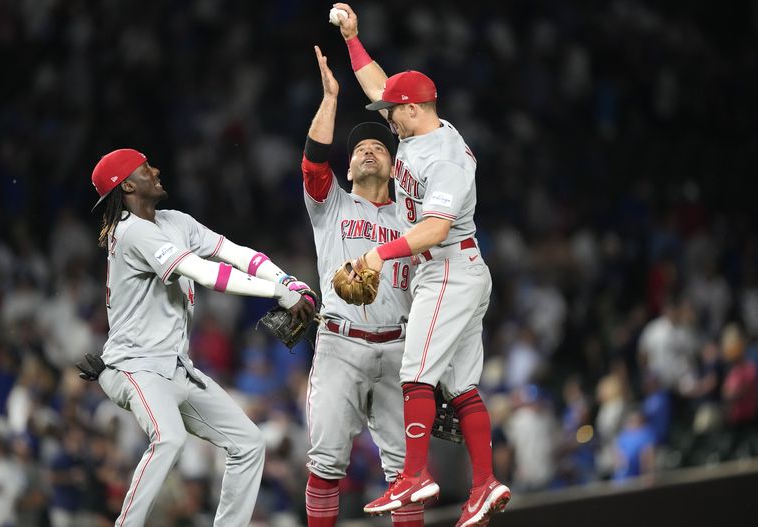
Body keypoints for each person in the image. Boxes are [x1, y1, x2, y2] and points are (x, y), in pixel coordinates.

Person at [331, 5, 511, 527]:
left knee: (415, 375)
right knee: (461, 386)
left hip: (448, 266)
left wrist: (374, 254)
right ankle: (483, 485)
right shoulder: (417, 128)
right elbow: (380, 83)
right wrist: (353, 39)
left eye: (392, 110)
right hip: (455, 269)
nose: (385, 114)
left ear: (412, 110)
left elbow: (433, 230)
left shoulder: (445, 158)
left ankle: (415, 476)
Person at [87, 147, 316, 526]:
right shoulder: (131, 232)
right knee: (169, 438)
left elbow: (233, 253)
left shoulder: (173, 221)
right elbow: (207, 274)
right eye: (145, 168)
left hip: (176, 368)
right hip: (135, 367)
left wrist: (284, 279)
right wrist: (277, 293)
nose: (156, 169)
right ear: (127, 184)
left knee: (248, 443)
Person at [301, 45, 422, 527]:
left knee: (406, 474)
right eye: (358, 150)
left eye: (378, 147)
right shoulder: (331, 204)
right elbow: (312, 161)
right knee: (326, 464)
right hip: (340, 344)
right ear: (347, 169)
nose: (368, 149)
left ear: (394, 168)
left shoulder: (413, 216)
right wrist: (331, 96)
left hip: (400, 347)